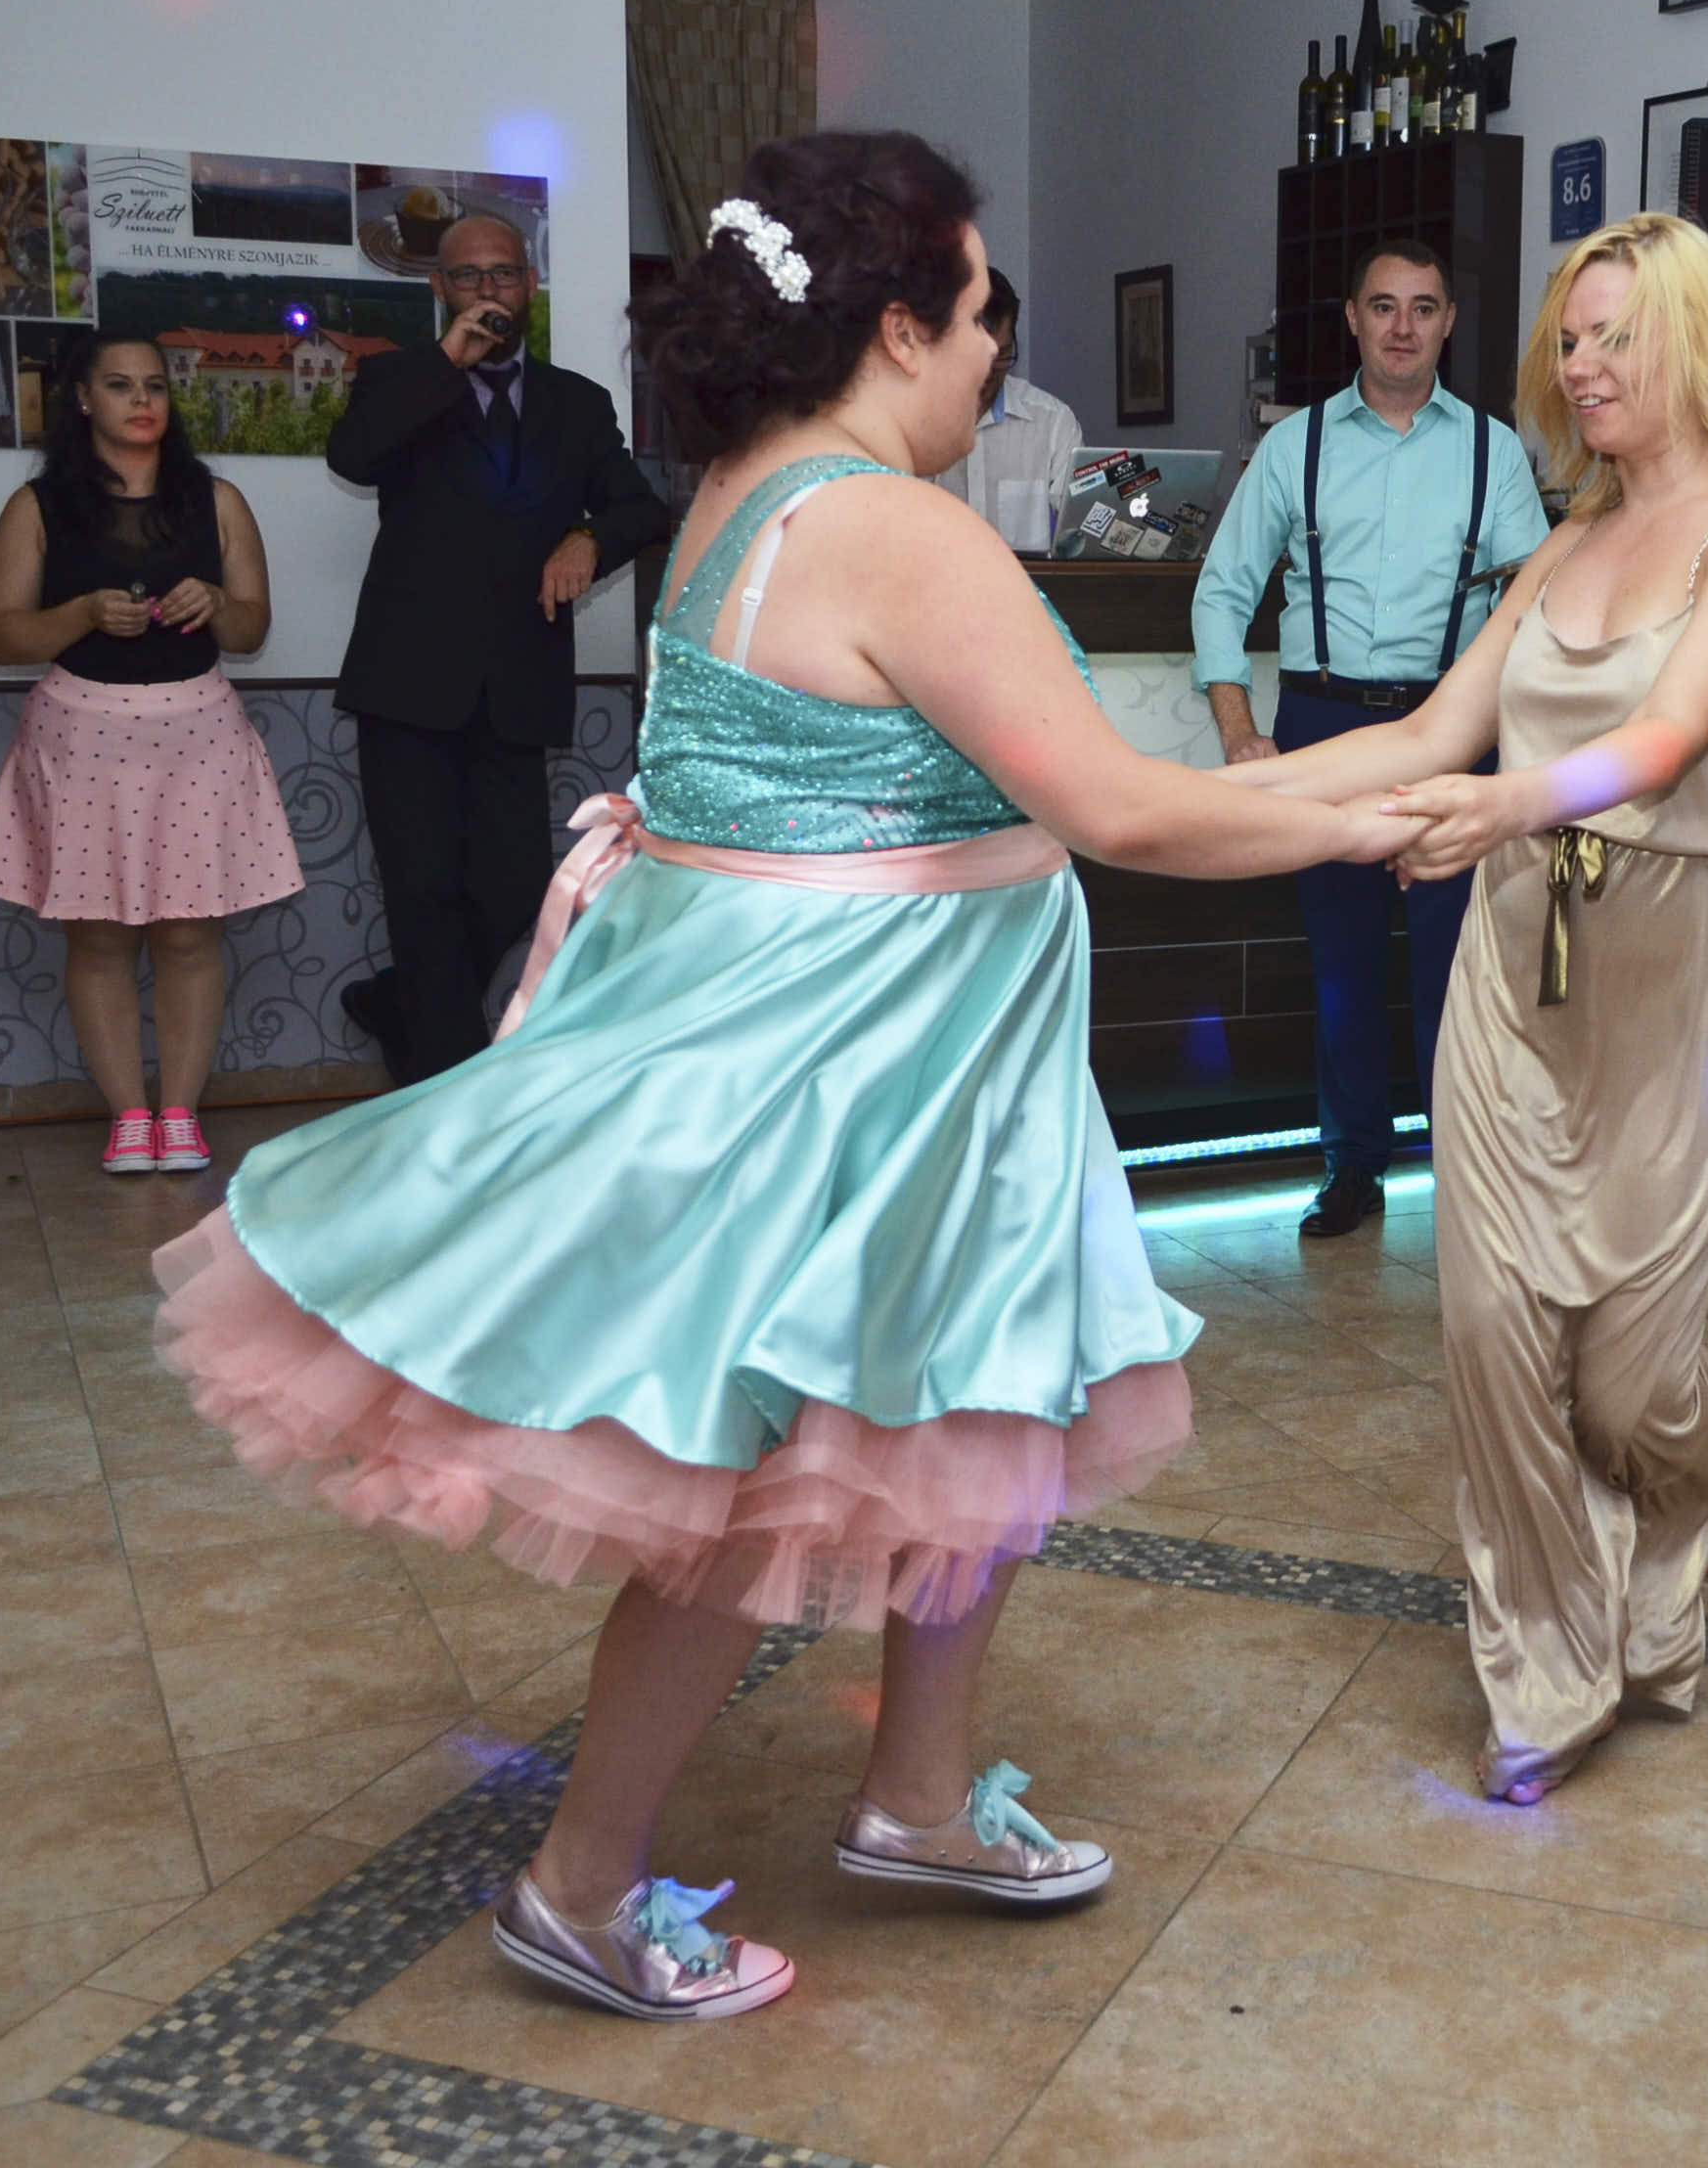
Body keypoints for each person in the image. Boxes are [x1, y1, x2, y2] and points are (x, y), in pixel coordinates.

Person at [150, 130, 1417, 2022]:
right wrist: (1374, 812)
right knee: (745, 1481)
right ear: (895, 327)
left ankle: (918, 1794)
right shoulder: (896, 526)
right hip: (855, 1074)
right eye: (977, 317)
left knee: (971, 1416)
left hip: (912, 1065)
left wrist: (1396, 759)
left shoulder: (740, 492)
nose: (990, 352)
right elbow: (1123, 805)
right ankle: (580, 1886)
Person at [1224, 213, 1708, 1801]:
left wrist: (1506, 802)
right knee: (1492, 1341)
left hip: (1671, 984)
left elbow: (1666, 739)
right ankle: (1545, 1671)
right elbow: (1426, 730)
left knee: (1633, 1387)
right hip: (1510, 975)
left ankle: (1691, 1488)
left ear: (1691, 343)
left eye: (1615, 335)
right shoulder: (1559, 545)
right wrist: (1191, 796)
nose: (1581, 364)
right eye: (1569, 337)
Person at [1191, 237, 1551, 1237]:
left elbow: (1535, 606)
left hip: (1449, 727)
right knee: (1342, 967)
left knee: (1453, 964)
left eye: (1422, 307)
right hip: (1321, 727)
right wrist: (1239, 730)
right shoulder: (1293, 446)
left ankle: (1462, 1175)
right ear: (1351, 318)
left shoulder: (1491, 451)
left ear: (1447, 323)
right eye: (1383, 306)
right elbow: (1221, 592)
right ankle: (1351, 1167)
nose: (1402, 327)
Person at [327, 210, 672, 1084]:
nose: (490, 290)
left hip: (519, 681)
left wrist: (588, 538)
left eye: (504, 274)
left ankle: (397, 1004)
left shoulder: (575, 402)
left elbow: (641, 507)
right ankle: (448, 1086)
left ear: (530, 285)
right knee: (422, 890)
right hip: (406, 681)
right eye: (470, 277)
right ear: (439, 288)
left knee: (515, 886)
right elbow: (355, 458)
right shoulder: (399, 380)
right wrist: (447, 360)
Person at [0, 331, 299, 1173]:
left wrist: (218, 602)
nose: (142, 400)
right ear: (84, 399)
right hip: (80, 738)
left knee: (189, 936)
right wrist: (80, 614)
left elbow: (252, 629)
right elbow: (3, 637)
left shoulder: (216, 500)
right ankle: (127, 1117)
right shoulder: (38, 506)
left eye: (154, 384)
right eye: (120, 385)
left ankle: (180, 1115)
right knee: (100, 940)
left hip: (198, 734)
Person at [930, 265, 1083, 550]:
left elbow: (1081, 531)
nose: (987, 372)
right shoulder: (905, 419)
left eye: (1001, 355)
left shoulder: (1052, 422)